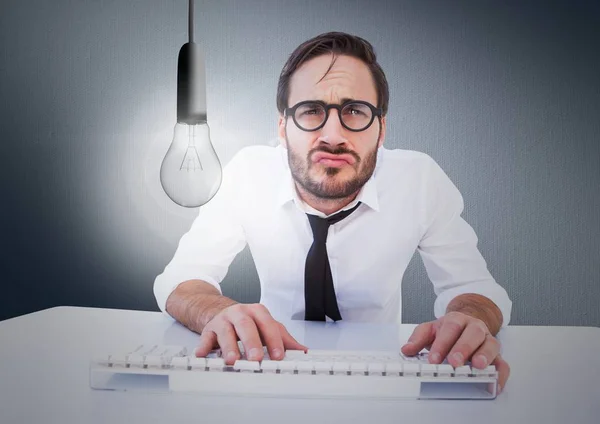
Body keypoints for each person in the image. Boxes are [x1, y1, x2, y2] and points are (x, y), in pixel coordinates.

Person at [154, 31, 512, 392]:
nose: (333, 134)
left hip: (382, 382)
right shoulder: (248, 172)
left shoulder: (419, 180)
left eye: (355, 111)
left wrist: (468, 320)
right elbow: (182, 277)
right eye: (311, 111)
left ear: (381, 129)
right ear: (282, 128)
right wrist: (216, 313)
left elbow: (475, 288)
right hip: (267, 373)